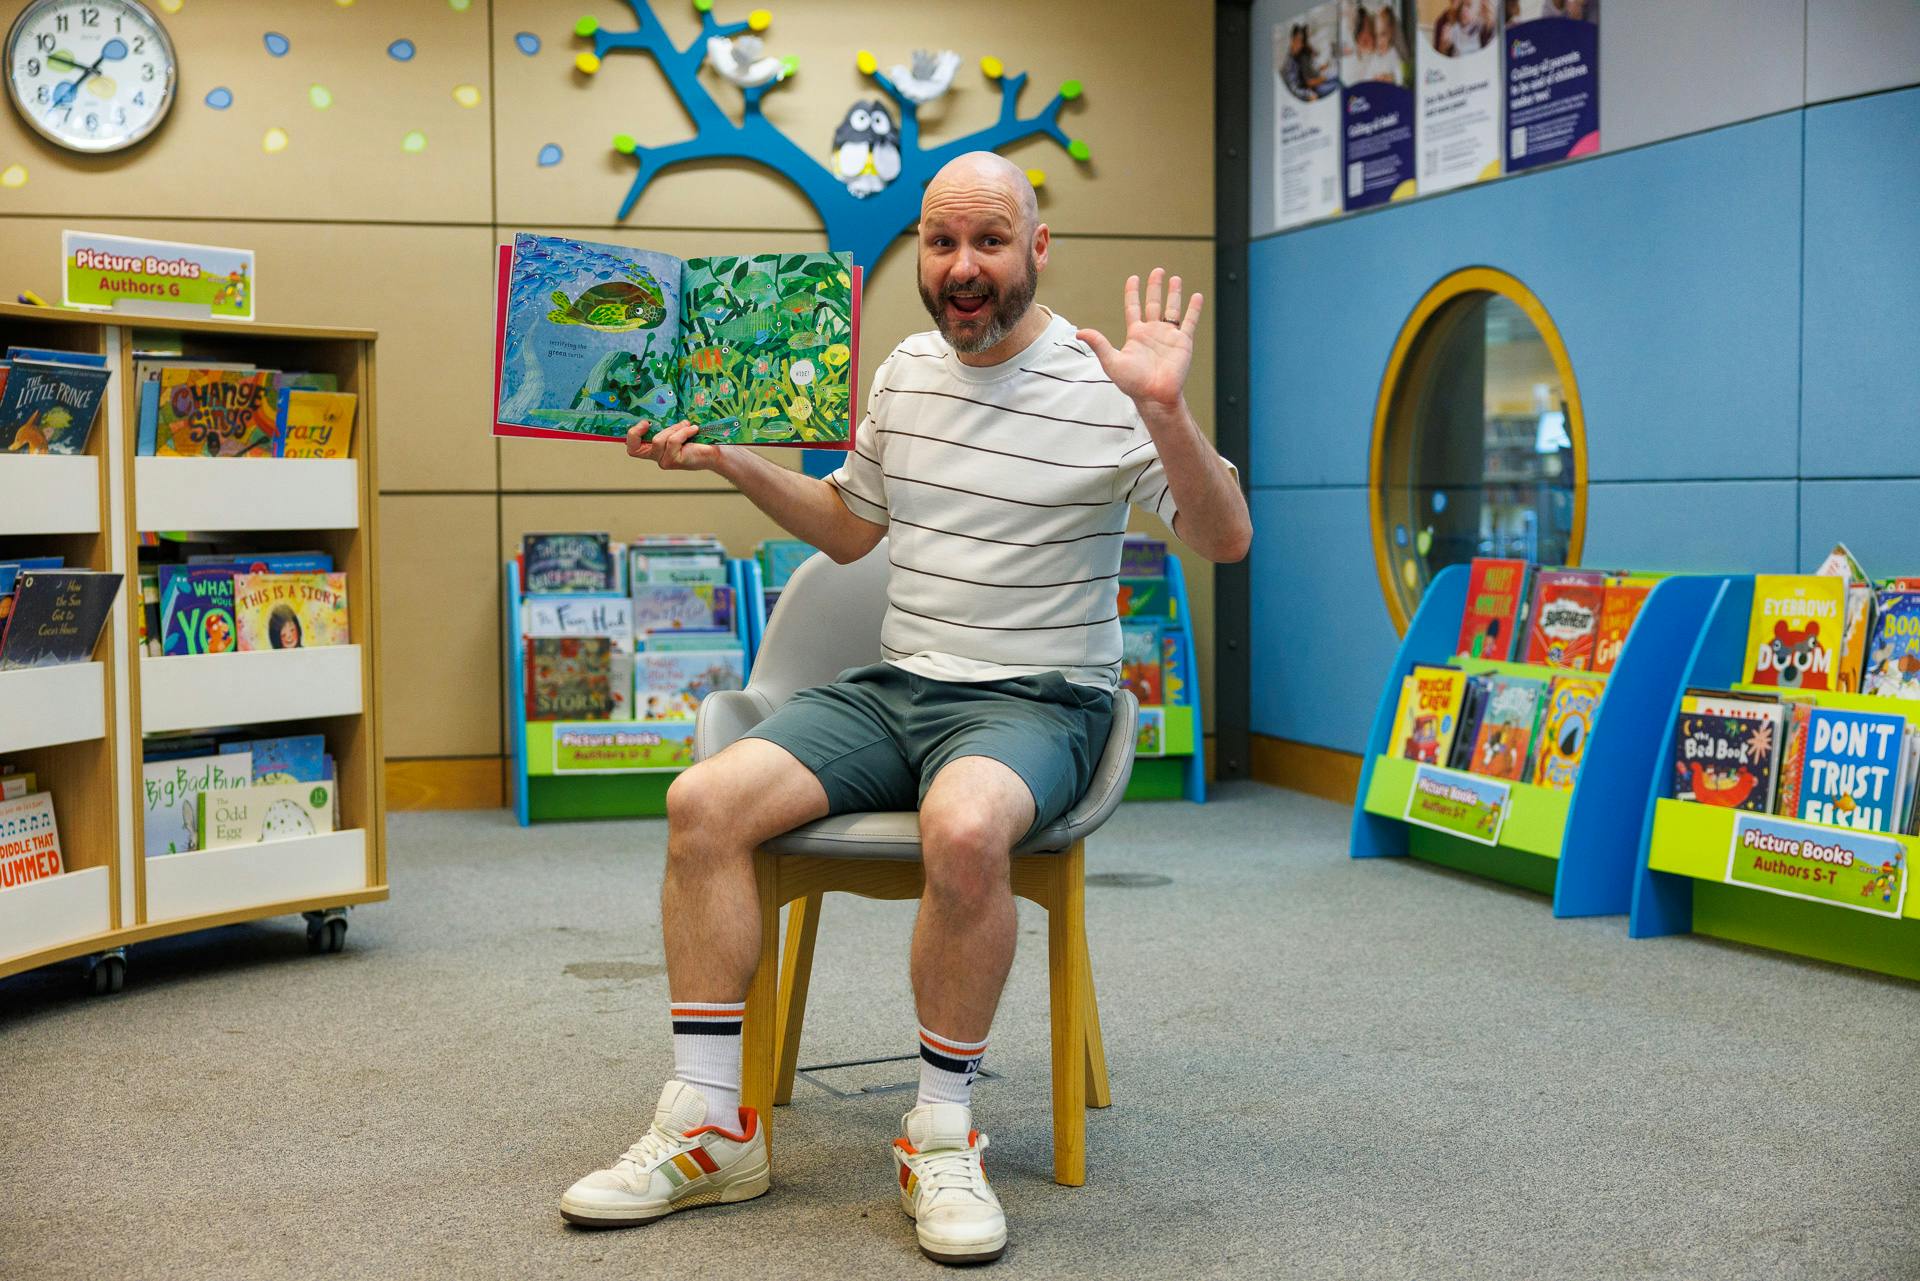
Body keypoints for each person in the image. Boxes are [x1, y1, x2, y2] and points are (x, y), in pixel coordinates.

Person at [559, 151, 1250, 1264]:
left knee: (966, 826)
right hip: (900, 688)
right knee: (704, 803)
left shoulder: (1110, 384)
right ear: (920, 255)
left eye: (988, 241)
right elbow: (847, 529)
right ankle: (709, 1127)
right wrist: (728, 458)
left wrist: (1167, 411)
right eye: (942, 243)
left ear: (1038, 248)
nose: (963, 266)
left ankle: (939, 1131)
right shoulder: (905, 372)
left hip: (1038, 698)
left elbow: (1223, 539)